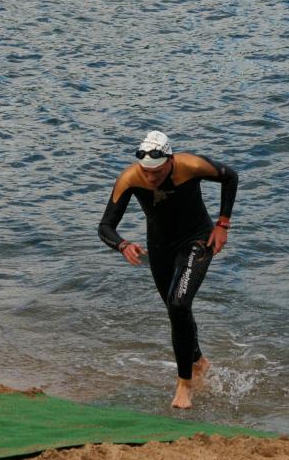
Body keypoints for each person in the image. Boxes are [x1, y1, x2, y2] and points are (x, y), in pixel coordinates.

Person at [98, 131, 238, 409]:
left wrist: (222, 224)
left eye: (157, 172)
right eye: (146, 172)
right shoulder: (130, 178)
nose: (151, 178)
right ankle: (199, 362)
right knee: (177, 309)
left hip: (198, 240)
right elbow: (105, 227)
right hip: (160, 249)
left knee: (178, 304)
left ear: (170, 161)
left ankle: (185, 384)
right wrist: (122, 245)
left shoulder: (191, 165)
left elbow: (230, 177)